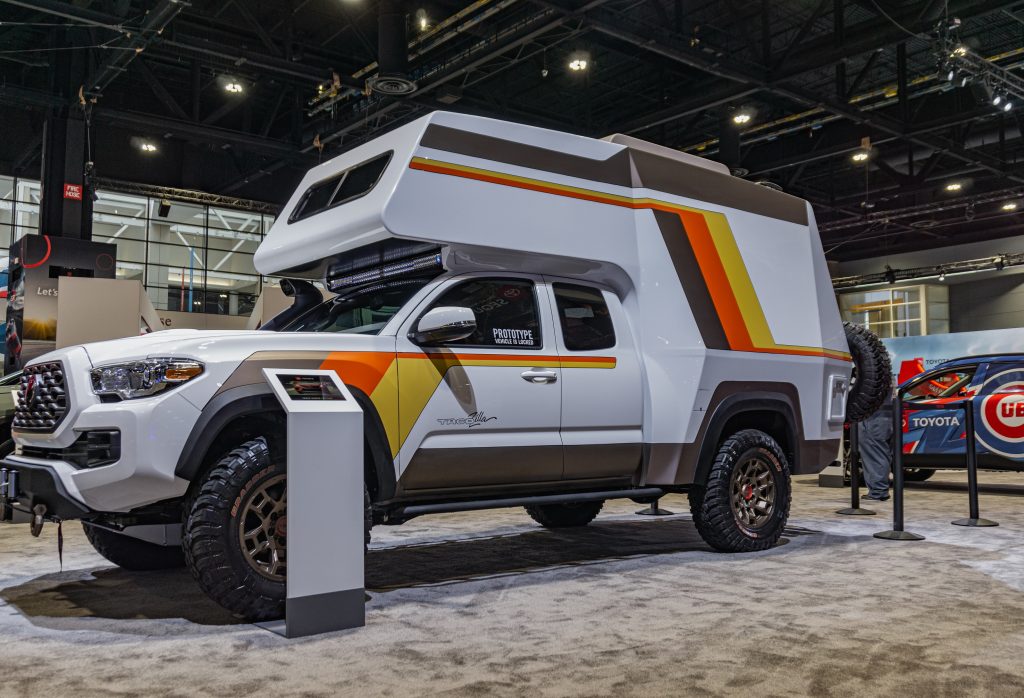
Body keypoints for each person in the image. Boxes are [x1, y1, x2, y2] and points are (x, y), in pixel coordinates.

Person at [857, 393, 894, 501]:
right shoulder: (888, 376)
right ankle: (878, 490)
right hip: (884, 415)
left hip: (873, 416)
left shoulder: (873, 376)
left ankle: (878, 491)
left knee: (875, 451)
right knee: (881, 452)